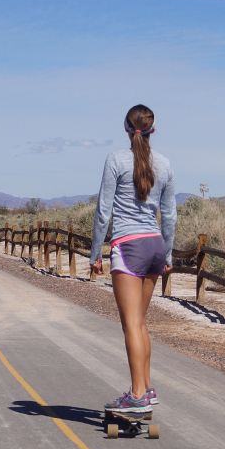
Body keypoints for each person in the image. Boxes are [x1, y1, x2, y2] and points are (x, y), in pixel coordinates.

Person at [90, 104, 176, 412]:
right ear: (153, 130)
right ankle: (145, 390)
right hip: (154, 245)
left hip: (128, 246)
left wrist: (95, 253)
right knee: (140, 323)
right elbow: (169, 215)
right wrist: (167, 253)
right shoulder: (165, 164)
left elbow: (103, 211)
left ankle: (137, 396)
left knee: (131, 325)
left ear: (127, 129)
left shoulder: (116, 160)